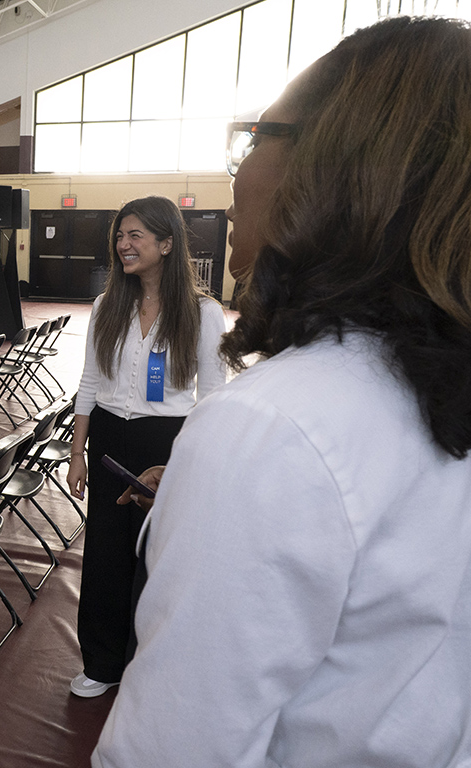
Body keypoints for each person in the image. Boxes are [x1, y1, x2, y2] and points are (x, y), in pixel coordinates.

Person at [94, 16, 471, 768]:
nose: (237, 179)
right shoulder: (426, 382)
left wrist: (226, 484)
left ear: (335, 165)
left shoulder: (272, 426)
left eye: (256, 138)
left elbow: (171, 750)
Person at [65, 195, 226, 698]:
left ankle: (149, 664)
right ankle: (103, 662)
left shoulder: (202, 312)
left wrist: (189, 462)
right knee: (106, 553)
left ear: (166, 243)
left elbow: (213, 395)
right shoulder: (107, 304)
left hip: (168, 439)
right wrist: (76, 452)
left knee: (160, 556)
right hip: (111, 436)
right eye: (120, 235)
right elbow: (90, 381)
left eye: (136, 235)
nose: (124, 244)